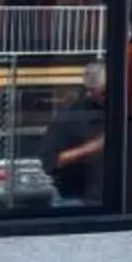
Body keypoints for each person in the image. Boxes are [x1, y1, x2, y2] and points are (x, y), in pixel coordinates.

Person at [44, 59, 108, 209]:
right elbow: (51, 161)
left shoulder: (120, 110)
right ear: (93, 89)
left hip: (113, 198)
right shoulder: (73, 116)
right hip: (77, 199)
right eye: (103, 91)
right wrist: (92, 148)